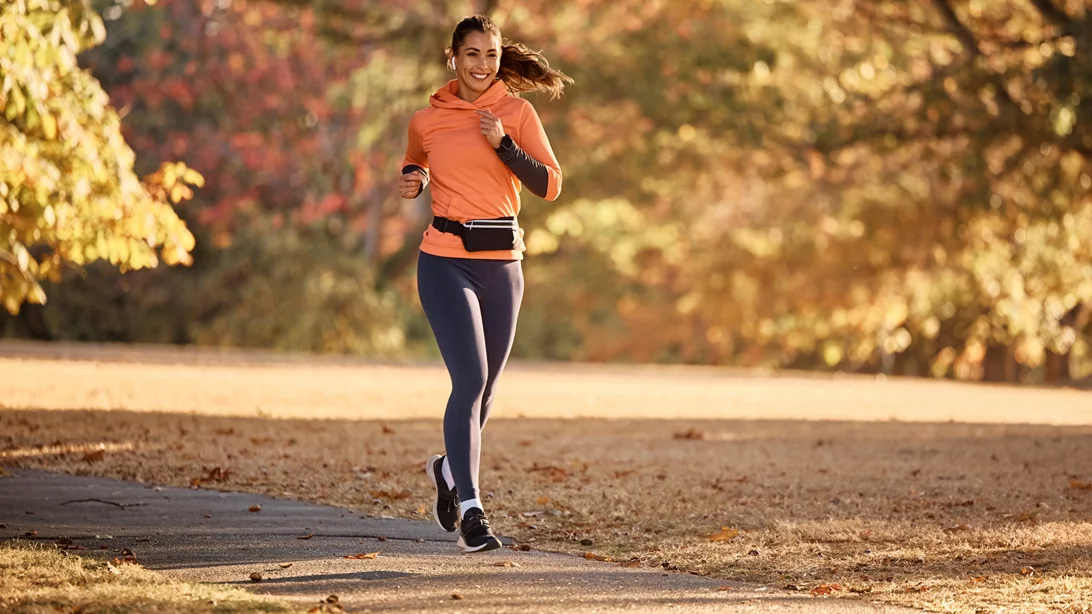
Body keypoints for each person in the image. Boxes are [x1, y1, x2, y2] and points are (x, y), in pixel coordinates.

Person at [398, 15, 572, 553]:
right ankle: (472, 511)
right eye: (472, 54)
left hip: (503, 262)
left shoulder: (516, 113)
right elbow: (417, 160)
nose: (482, 64)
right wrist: (415, 177)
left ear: (500, 58)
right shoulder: (427, 119)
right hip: (444, 259)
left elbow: (550, 185)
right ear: (453, 57)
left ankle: (447, 469)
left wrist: (504, 146)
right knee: (469, 381)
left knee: (489, 389)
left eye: (491, 55)